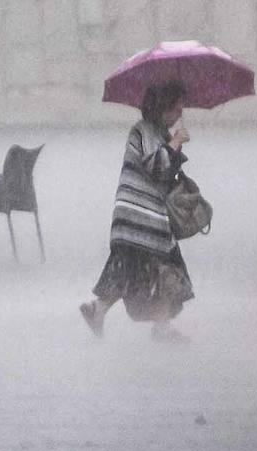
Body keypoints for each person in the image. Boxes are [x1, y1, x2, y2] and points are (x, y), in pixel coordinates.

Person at [79, 80, 194, 342]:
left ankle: (99, 310)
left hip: (137, 216)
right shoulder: (144, 132)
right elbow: (156, 167)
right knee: (166, 268)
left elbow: (165, 174)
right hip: (143, 216)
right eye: (176, 108)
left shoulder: (156, 134)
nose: (180, 114)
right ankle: (159, 329)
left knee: (131, 267)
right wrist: (176, 141)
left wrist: (174, 145)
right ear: (162, 107)